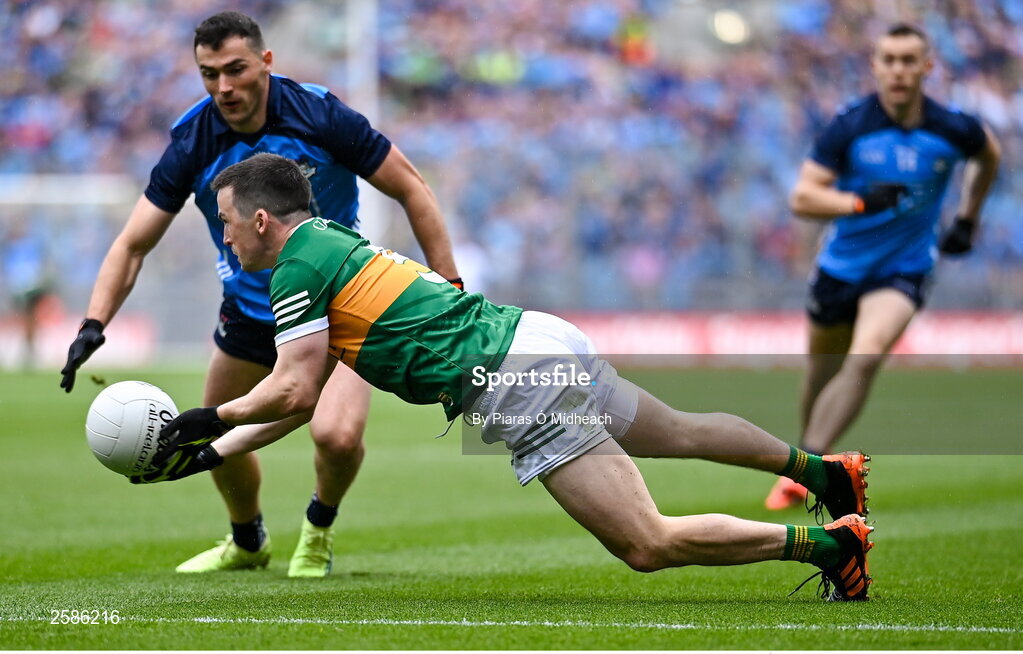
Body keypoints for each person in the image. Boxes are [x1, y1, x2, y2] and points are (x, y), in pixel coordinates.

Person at [140, 153, 873, 601]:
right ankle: (825, 470)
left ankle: (834, 546)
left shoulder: (295, 269)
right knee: (677, 430)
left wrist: (208, 418)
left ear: (263, 219)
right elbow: (301, 402)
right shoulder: (332, 242)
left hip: (514, 379)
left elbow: (293, 387)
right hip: (535, 336)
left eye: (228, 223)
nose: (226, 238)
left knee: (645, 545)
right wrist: (212, 454)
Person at [58, 11, 462, 576]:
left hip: (340, 307)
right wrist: (93, 323)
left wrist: (451, 287)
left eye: (236, 69)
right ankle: (248, 541)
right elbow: (133, 243)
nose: (224, 87)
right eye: (208, 74)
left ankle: (318, 529)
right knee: (216, 432)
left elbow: (412, 188)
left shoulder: (319, 113)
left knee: (337, 436)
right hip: (250, 313)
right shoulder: (193, 140)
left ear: (265, 63)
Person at [765, 23, 1001, 511]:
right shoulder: (850, 125)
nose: (898, 70)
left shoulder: (953, 127)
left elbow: (988, 155)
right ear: (874, 66)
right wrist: (856, 203)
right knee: (819, 376)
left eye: (909, 60)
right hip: (840, 269)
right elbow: (802, 197)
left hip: (904, 269)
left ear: (927, 67)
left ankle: (810, 465)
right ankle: (807, 457)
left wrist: (968, 217)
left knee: (867, 356)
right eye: (889, 60)